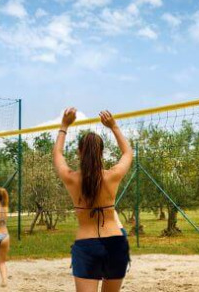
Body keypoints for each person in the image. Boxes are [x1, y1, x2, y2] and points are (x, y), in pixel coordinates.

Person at [53, 107, 133, 292]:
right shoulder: (112, 176)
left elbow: (57, 154)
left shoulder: (72, 179)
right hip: (115, 242)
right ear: (101, 153)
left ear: (79, 152)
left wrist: (64, 125)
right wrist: (113, 126)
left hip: (86, 244)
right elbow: (128, 153)